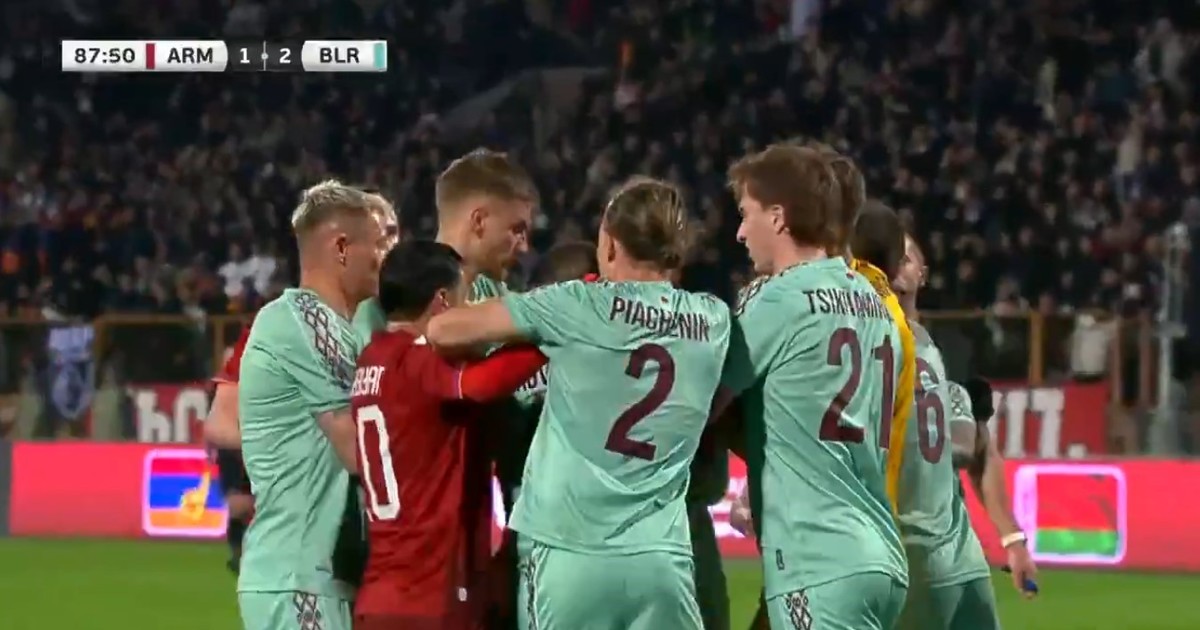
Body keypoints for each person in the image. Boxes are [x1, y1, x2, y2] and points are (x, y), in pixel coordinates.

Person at [427, 176, 732, 630]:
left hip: (569, 551)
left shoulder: (576, 304)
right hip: (661, 560)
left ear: (609, 244)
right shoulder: (713, 319)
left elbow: (443, 330)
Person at [713, 144, 907, 630]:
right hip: (878, 552)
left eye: (746, 214)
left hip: (815, 559)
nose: (740, 232)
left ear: (778, 218)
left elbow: (702, 406)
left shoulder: (778, 300)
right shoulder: (876, 304)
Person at [350, 240, 549, 630]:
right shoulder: (417, 359)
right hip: (432, 593)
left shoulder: (373, 358)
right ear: (442, 300)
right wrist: (551, 335)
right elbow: (480, 384)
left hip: (380, 595)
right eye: (464, 297)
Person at [236, 180, 391, 630]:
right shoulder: (301, 321)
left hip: (327, 580)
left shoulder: (345, 331)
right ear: (342, 248)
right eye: (376, 244)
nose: (382, 258)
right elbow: (360, 449)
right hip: (298, 579)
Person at [892, 231, 1037, 629]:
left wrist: (1013, 540)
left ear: (922, 274)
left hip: (960, 559)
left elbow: (982, 452)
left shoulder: (954, 350)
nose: (896, 269)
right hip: (898, 557)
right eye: (888, 258)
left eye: (906, 258)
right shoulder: (862, 347)